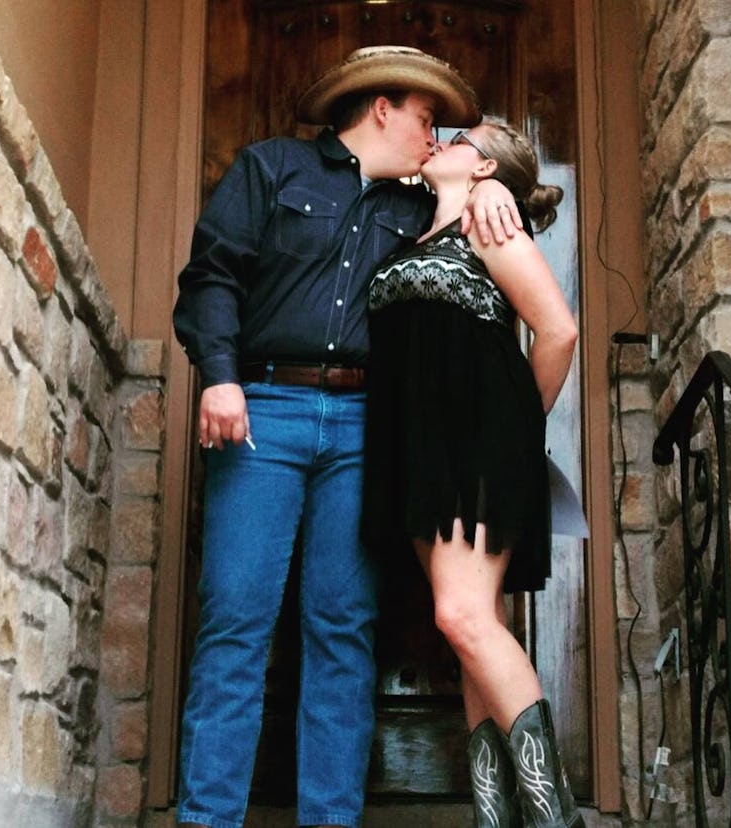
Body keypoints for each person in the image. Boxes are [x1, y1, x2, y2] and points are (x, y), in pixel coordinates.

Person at [172, 46, 524, 828]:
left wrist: (490, 186)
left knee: (342, 630)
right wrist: (221, 375)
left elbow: (493, 213)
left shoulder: (417, 208)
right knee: (235, 621)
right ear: (381, 108)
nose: (435, 138)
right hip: (264, 408)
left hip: (368, 430)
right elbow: (212, 278)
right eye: (428, 120)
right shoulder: (272, 170)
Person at [361, 117, 585, 827]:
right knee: (473, 626)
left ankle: (558, 819)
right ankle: (498, 819)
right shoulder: (418, 232)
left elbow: (558, 330)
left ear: (484, 170)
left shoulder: (493, 226)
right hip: (423, 455)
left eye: (459, 135)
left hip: (477, 446)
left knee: (459, 615)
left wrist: (519, 428)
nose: (441, 137)